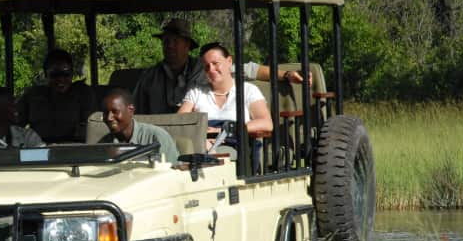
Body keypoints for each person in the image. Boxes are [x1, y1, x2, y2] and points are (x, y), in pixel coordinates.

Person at [133, 18, 309, 114]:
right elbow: (136, 111)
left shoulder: (206, 68)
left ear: (187, 45)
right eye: (166, 41)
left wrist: (286, 75)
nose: (169, 46)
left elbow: (250, 70)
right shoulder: (150, 76)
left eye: (175, 41)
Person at [177, 42, 273, 151]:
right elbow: (179, 122)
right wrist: (200, 138)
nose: (211, 69)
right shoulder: (196, 92)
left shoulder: (248, 90)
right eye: (206, 66)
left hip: (237, 145)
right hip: (203, 146)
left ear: (229, 61)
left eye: (215, 63)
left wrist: (226, 131)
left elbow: (266, 123)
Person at [18, 49, 95, 143]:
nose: (60, 79)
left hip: (73, 149)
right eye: (55, 75)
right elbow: (16, 125)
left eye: (66, 74)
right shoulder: (33, 96)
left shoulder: (82, 94)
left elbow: (91, 129)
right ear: (46, 75)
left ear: (72, 74)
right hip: (38, 150)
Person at [97, 87, 180, 164]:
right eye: (105, 113)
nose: (109, 118)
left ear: (131, 110)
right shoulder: (104, 144)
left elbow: (173, 173)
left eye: (115, 111)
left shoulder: (156, 137)